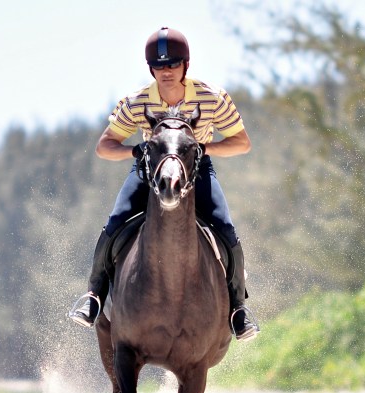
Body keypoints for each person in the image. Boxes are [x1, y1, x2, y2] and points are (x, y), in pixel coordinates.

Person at [68, 26, 260, 341]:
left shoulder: (213, 97)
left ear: (186, 65)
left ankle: (238, 309)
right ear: (151, 69)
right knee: (115, 223)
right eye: (158, 66)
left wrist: (202, 148)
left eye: (172, 64)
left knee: (226, 229)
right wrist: (135, 150)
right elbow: (104, 147)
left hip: (196, 170)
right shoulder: (136, 101)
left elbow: (242, 143)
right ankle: (94, 296)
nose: (166, 71)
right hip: (149, 170)